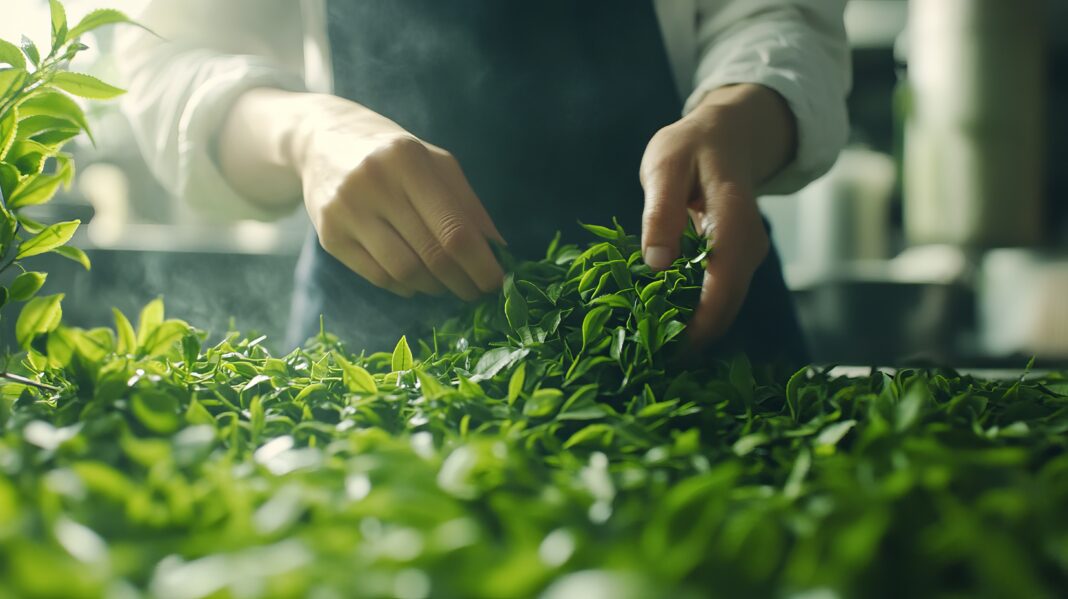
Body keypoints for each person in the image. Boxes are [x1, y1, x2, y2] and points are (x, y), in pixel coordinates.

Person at [119, 0, 850, 364]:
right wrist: (306, 132)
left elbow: (781, 14)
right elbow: (170, 59)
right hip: (381, 353)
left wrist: (735, 120)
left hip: (686, 324)